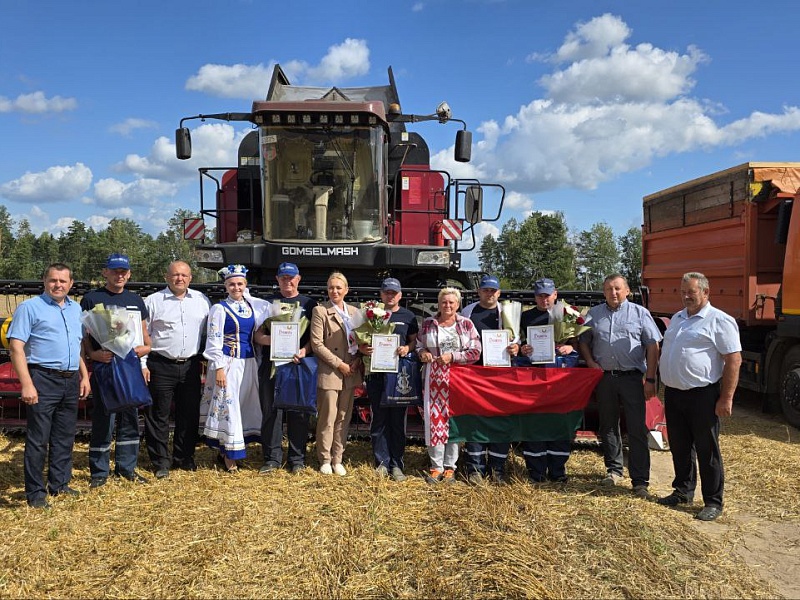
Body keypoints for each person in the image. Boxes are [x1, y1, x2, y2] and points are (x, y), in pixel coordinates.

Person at [657, 272, 742, 521]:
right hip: (674, 394)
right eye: (683, 292)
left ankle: (713, 501)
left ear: (705, 292)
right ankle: (682, 491)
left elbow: (733, 360)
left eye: (691, 293)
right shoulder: (678, 318)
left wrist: (726, 398)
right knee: (680, 446)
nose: (686, 297)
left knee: (707, 449)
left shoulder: (719, 320)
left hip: (703, 395)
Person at [8, 263, 91, 508]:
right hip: (42, 378)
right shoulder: (29, 308)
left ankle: (60, 484)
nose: (58, 285)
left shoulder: (76, 309)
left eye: (63, 281)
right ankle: (35, 493)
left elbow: (76, 347)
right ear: (45, 281)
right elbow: (16, 347)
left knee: (65, 436)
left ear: (71, 284)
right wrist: (27, 384)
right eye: (53, 280)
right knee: (38, 439)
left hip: (70, 380)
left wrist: (84, 376)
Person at [578, 273, 661, 498]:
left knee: (636, 429)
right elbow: (582, 341)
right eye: (608, 289)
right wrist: (590, 362)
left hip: (632, 379)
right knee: (609, 426)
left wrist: (651, 379)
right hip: (604, 378)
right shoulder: (594, 315)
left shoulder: (640, 313)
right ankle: (613, 471)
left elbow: (653, 347)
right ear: (603, 292)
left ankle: (640, 480)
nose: (613, 293)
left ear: (627, 291)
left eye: (617, 288)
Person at [82, 253, 152, 489]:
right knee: (104, 417)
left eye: (123, 271)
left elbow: (144, 333)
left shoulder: (136, 300)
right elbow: (84, 336)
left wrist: (145, 351)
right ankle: (99, 471)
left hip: (130, 366)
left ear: (129, 274)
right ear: (105, 272)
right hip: (105, 365)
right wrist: (92, 355)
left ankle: (127, 467)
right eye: (114, 271)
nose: (119, 275)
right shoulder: (92, 299)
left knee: (130, 418)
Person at [142, 261, 211, 479]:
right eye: (175, 275)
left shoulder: (202, 301)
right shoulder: (153, 301)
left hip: (191, 365)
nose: (179, 278)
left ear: (190, 278)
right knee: (158, 415)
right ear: (166, 277)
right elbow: (143, 336)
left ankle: (184, 457)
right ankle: (161, 461)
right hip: (160, 364)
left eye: (184, 275)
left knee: (189, 414)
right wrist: (143, 364)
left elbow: (209, 333)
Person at [200, 264, 268, 473]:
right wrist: (218, 368)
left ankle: (228, 449)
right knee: (229, 407)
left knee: (241, 405)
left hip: (247, 363)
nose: (236, 287)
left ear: (245, 285)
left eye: (239, 284)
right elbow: (213, 340)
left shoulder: (250, 307)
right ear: (226, 286)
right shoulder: (219, 309)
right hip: (228, 362)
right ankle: (230, 456)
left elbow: (256, 333)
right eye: (231, 284)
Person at [253, 262, 318, 474]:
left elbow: (313, 339)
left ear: (298, 279)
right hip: (272, 366)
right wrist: (273, 340)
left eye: (291, 277)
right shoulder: (267, 304)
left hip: (297, 365)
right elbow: (257, 335)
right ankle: (272, 459)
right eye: (283, 278)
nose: (287, 281)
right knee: (271, 412)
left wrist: (304, 351)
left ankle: (297, 459)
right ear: (277, 279)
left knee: (298, 413)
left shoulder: (309, 304)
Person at [417, 287, 481, 484]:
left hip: (457, 378)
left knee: (453, 421)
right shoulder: (428, 324)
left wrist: (453, 356)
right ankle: (435, 467)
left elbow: (475, 351)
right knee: (435, 421)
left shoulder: (466, 324)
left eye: (452, 302)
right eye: (444, 302)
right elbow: (419, 345)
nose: (448, 305)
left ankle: (450, 467)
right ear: (439, 303)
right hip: (433, 379)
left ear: (458, 304)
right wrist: (423, 354)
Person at [358, 278, 419, 482]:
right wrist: (363, 348)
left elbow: (414, 341)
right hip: (376, 374)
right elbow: (360, 341)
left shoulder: (408, 316)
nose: (390, 296)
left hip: (399, 374)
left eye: (394, 293)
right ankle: (381, 463)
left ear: (400, 295)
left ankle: (397, 464)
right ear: (381, 294)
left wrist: (406, 349)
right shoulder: (371, 313)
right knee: (379, 420)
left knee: (397, 421)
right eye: (386, 292)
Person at [518, 277, 578, 483]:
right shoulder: (525, 317)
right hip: (534, 377)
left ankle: (558, 472)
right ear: (535, 297)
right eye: (540, 296)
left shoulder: (568, 314)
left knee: (558, 423)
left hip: (560, 379)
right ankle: (536, 472)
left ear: (555, 294)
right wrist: (523, 349)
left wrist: (571, 347)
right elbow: (517, 344)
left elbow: (579, 342)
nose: (544, 299)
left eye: (548, 295)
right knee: (535, 423)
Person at [460, 274, 519, 484]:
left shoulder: (508, 313)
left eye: (493, 291)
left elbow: (516, 339)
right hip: (475, 373)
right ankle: (475, 468)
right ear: (479, 292)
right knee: (475, 419)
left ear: (499, 293)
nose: (489, 294)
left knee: (499, 420)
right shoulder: (468, 312)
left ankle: (497, 469)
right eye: (485, 290)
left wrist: (515, 347)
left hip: (501, 374)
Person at [310, 271, 363, 476]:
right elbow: (316, 343)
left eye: (339, 288)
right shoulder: (320, 311)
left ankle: (337, 458)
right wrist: (339, 364)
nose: (335, 291)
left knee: (344, 416)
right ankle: (324, 458)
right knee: (327, 417)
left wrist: (358, 359)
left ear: (346, 290)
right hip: (331, 371)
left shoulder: (355, 312)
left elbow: (361, 341)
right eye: (331, 287)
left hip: (351, 371)